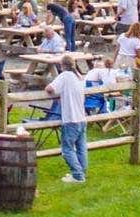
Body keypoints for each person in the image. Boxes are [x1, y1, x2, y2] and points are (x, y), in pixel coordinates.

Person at [46, 54, 89, 184]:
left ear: (62, 65)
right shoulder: (79, 77)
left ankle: (77, 175)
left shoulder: (64, 76)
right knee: (81, 147)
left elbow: (49, 88)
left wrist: (55, 96)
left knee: (67, 149)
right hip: (81, 118)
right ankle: (82, 171)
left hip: (71, 118)